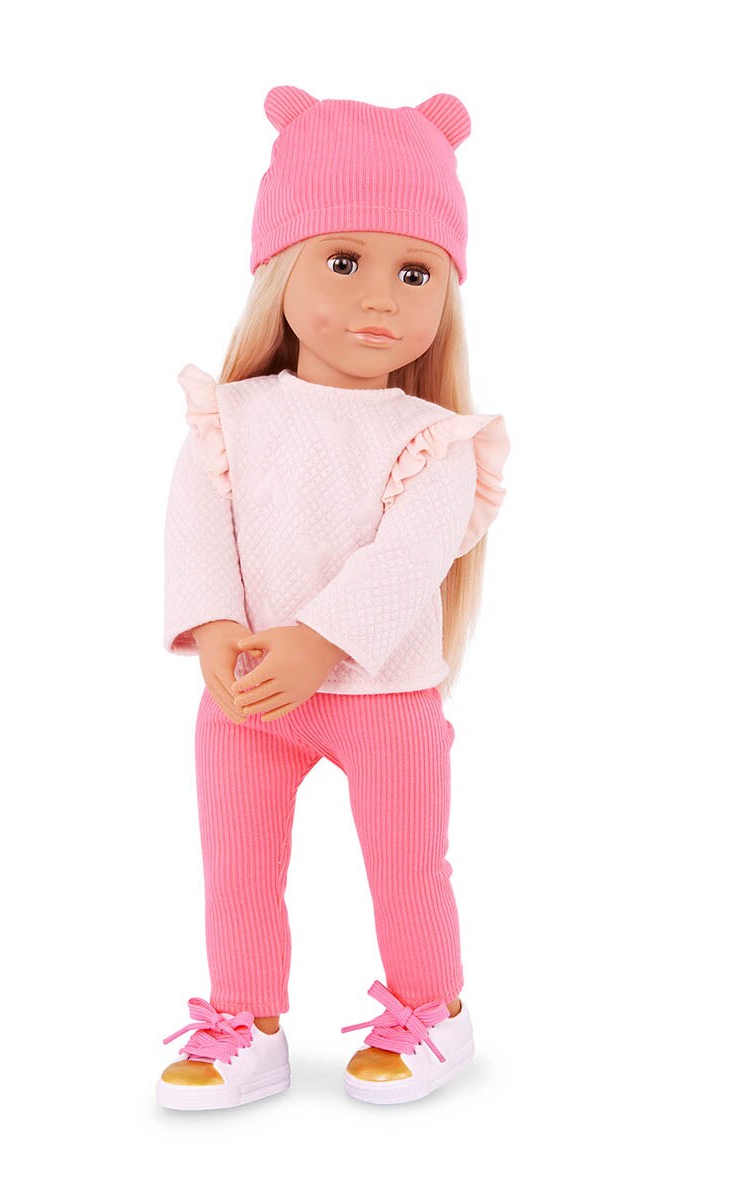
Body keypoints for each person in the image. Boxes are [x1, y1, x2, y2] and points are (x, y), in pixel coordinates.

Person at [156, 85, 511, 1110]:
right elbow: (197, 527)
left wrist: (315, 645)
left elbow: (409, 558)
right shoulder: (231, 416)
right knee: (237, 867)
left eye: (415, 272)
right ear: (281, 269)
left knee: (407, 865)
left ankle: (433, 1007)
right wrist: (217, 632)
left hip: (383, 695)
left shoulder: (433, 439)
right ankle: (245, 1020)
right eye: (344, 261)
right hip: (249, 691)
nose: (380, 299)